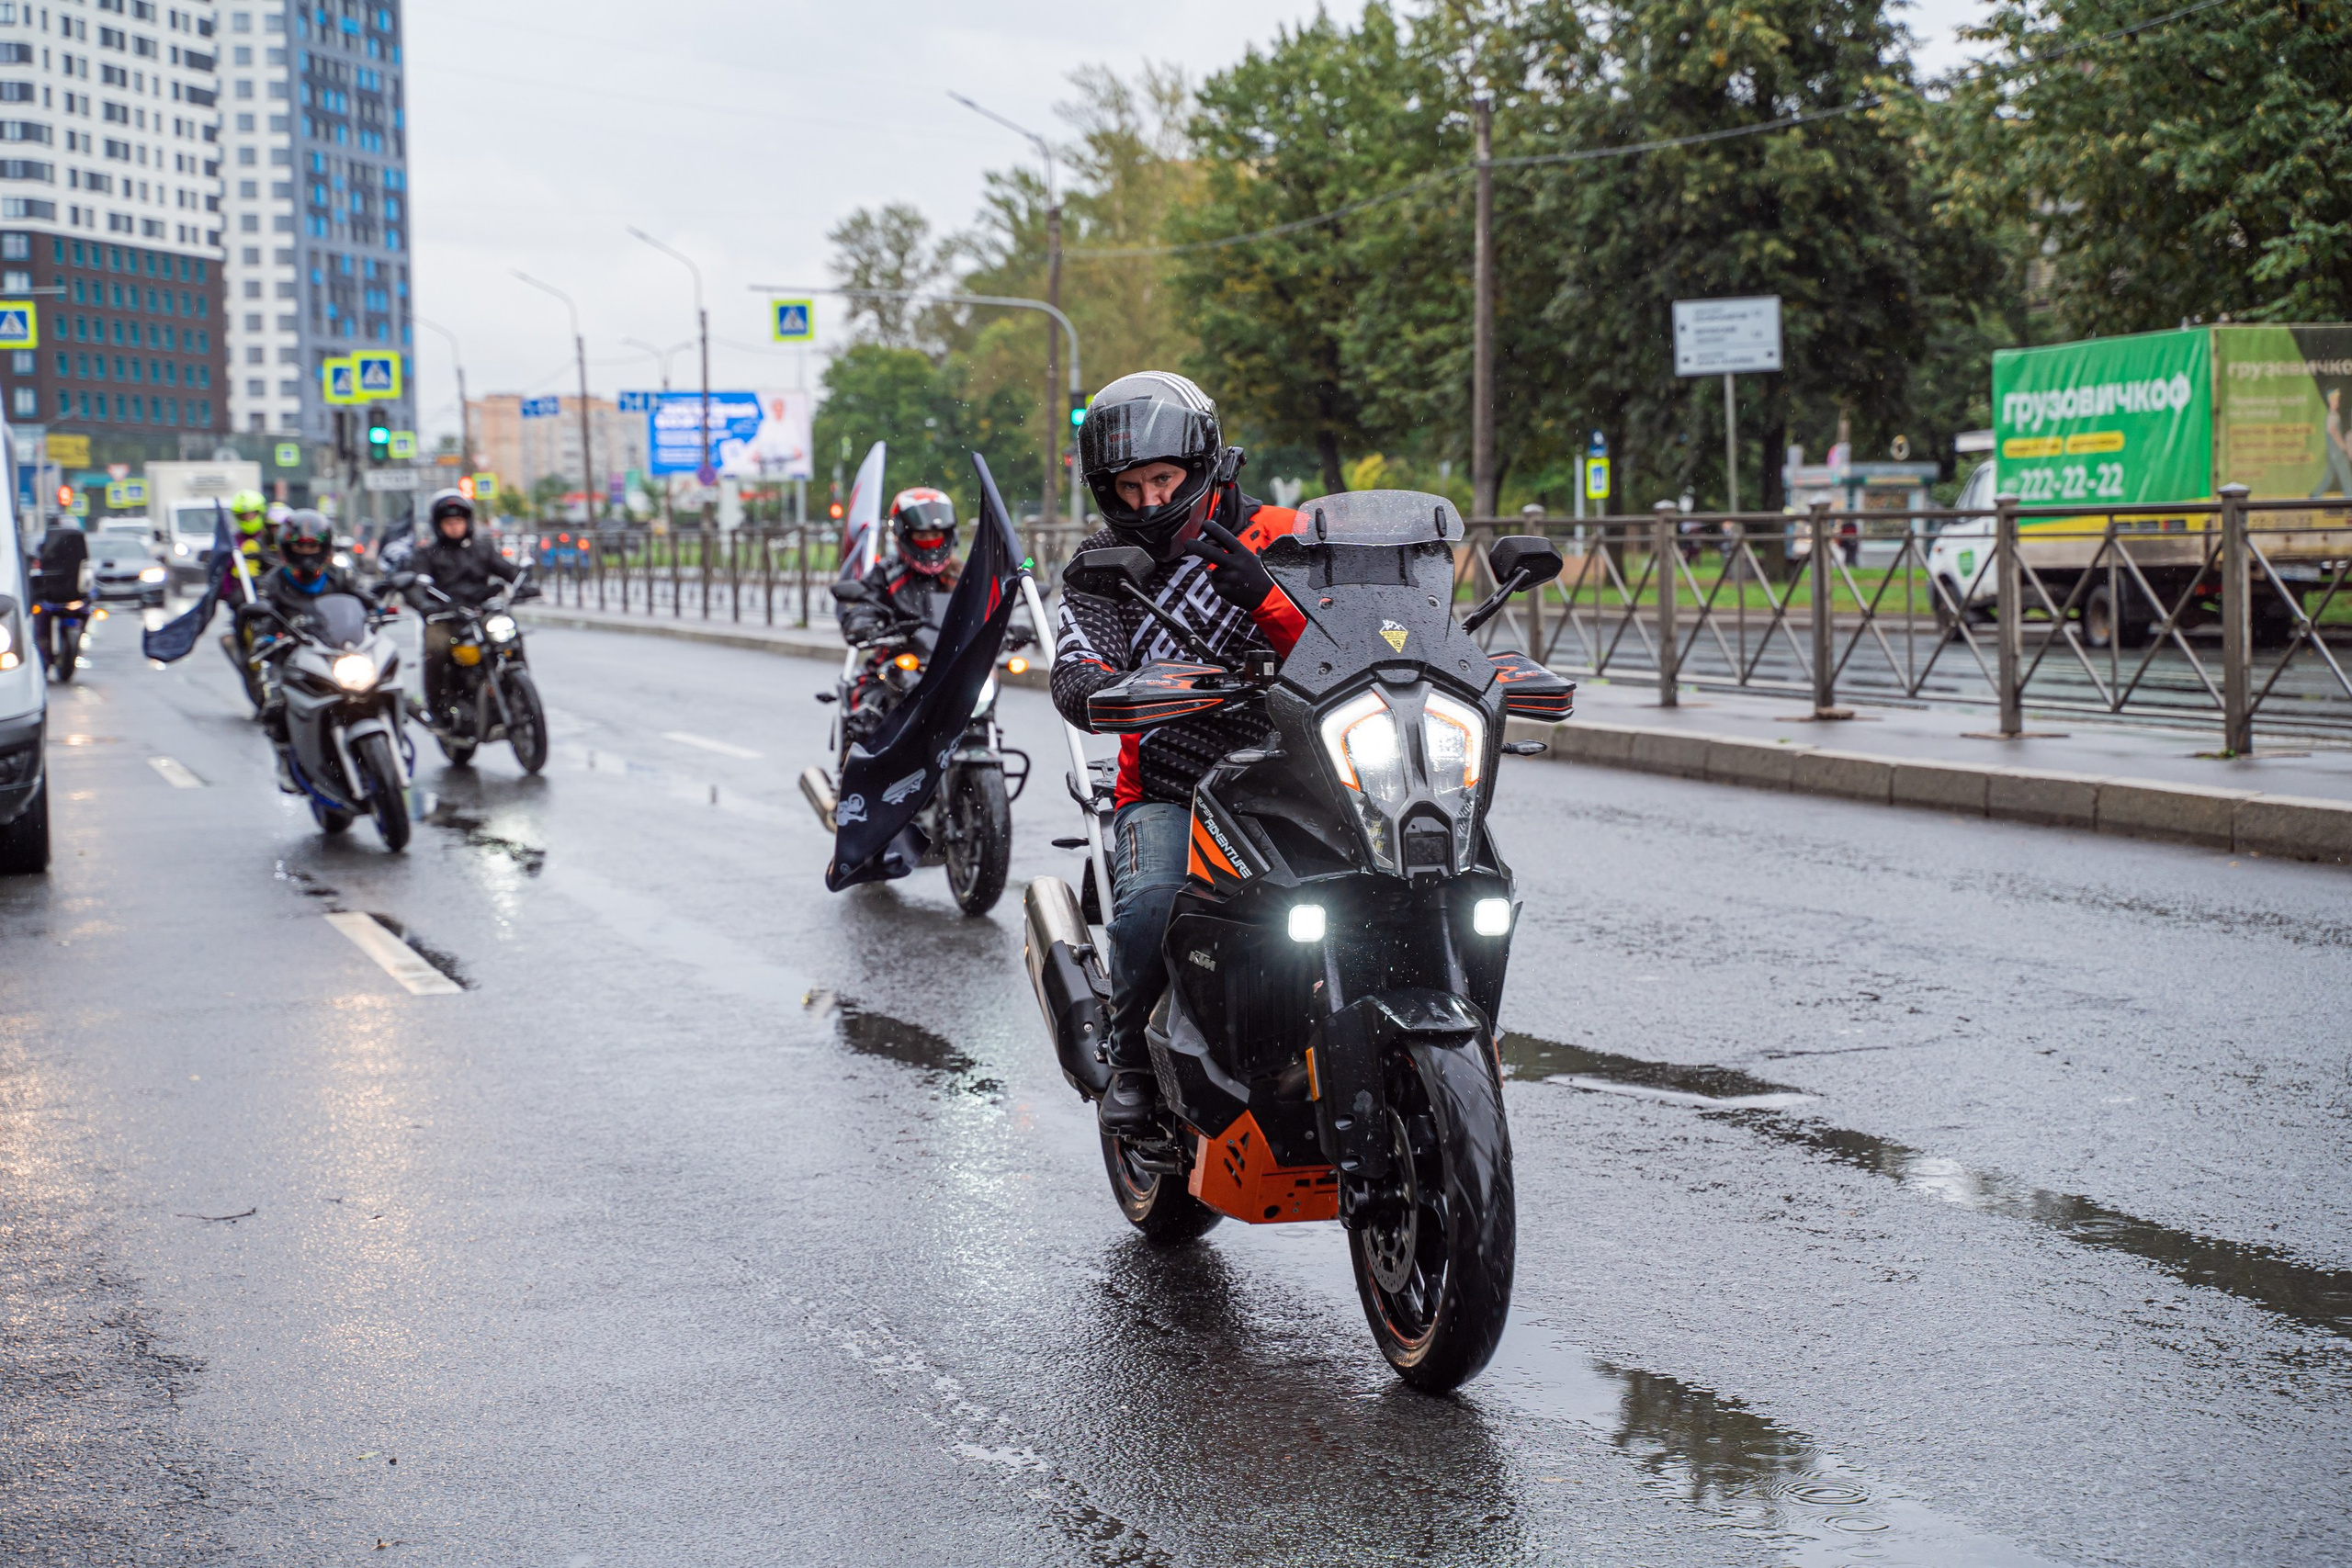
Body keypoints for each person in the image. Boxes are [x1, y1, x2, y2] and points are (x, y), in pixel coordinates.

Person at [1049, 371, 1307, 1134]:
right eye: (1128, 487)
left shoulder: (1290, 537)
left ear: (1204, 464)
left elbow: (1345, 650)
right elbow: (1074, 675)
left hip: (1300, 772)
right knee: (1153, 907)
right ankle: (1130, 1057)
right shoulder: (1102, 564)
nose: (1149, 502)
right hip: (1170, 786)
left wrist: (1265, 592)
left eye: (1163, 479)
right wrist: (1115, 690)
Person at [253, 511, 372, 791]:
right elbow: (263, 617)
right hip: (294, 656)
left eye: (313, 546)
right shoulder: (273, 582)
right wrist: (266, 637)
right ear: (287, 548)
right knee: (276, 705)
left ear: (325, 547)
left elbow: (363, 599)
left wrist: (379, 606)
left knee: (378, 680)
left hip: (339, 650)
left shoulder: (339, 575)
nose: (307, 552)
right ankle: (284, 759)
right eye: (300, 546)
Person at [836, 488, 964, 744]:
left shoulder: (966, 575)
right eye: (922, 534)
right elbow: (864, 604)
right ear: (905, 534)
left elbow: (991, 603)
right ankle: (854, 780)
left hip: (956, 668)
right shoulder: (886, 575)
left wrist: (1010, 626)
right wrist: (863, 624)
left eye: (936, 534)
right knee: (864, 716)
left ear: (948, 535)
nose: (930, 540)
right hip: (895, 666)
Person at [406, 488, 522, 725]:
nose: (454, 526)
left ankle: (519, 689)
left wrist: (525, 582)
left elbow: (507, 569)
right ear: (438, 525)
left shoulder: (482, 548)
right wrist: (425, 605)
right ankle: (437, 710)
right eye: (449, 522)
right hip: (445, 617)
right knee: (436, 648)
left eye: (459, 520)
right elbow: (415, 585)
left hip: (483, 612)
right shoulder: (427, 553)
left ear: (467, 521)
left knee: (511, 636)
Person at [32, 522, 89, 670]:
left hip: (67, 601)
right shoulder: (43, 556)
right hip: (52, 601)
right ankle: (43, 653)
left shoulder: (78, 563)